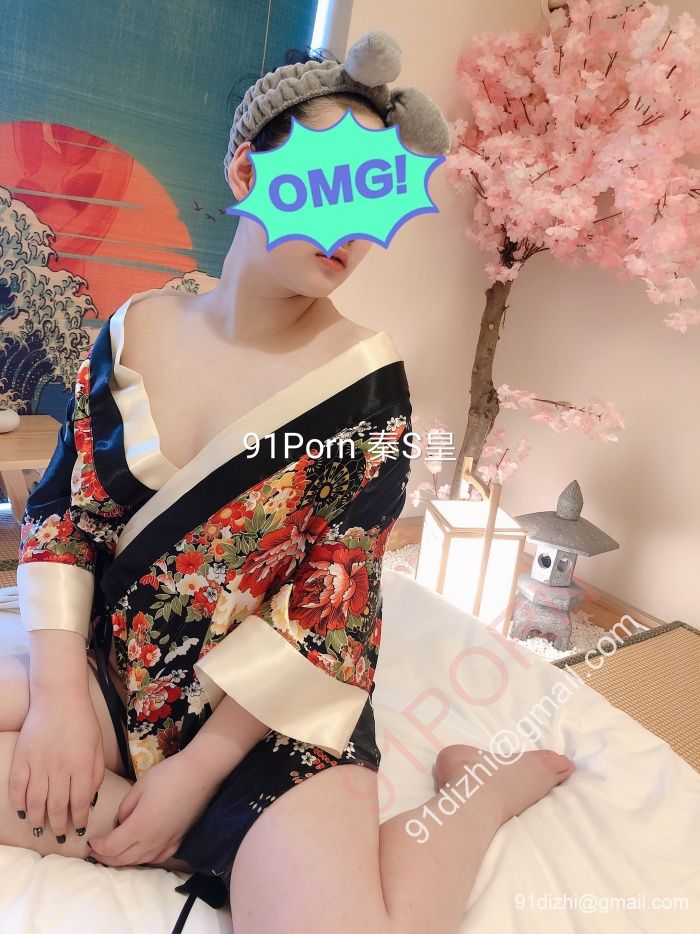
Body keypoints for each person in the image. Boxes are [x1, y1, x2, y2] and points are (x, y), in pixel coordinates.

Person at [0, 30, 575, 934]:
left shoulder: (368, 391)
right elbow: (65, 515)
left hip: (261, 719)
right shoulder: (133, 328)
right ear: (245, 172)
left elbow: (331, 613)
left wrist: (191, 781)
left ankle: (482, 793)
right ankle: (186, 838)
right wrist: (62, 702)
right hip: (117, 670)